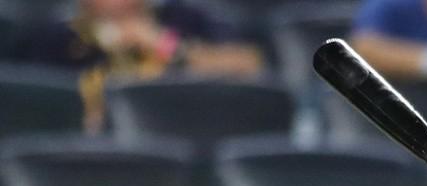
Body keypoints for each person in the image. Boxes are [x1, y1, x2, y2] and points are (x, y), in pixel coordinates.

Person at [17, 0, 264, 132]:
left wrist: (166, 45)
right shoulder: (56, 37)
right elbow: (32, 109)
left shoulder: (181, 18)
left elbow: (248, 64)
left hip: (180, 144)